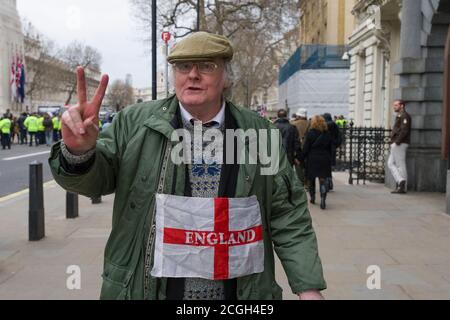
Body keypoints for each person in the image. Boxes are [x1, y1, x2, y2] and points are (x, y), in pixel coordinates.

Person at [49, 31, 326, 300]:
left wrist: (308, 287)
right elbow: (96, 181)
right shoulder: (133, 124)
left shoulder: (259, 133)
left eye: (206, 65)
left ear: (226, 76)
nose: (192, 74)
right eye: (182, 66)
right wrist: (78, 152)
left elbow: (288, 216)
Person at [301, 115, 332, 210]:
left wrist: (301, 157)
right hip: (324, 158)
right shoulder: (327, 133)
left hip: (313, 158)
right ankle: (323, 199)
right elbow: (331, 148)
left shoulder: (310, 133)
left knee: (311, 179)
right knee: (323, 180)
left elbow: (306, 148)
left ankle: (312, 197)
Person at [388, 100, 411, 194]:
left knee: (400, 165)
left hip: (400, 143)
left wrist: (397, 142)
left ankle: (402, 187)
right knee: (390, 163)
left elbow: (404, 130)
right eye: (394, 105)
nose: (394, 107)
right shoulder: (399, 115)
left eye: (396, 105)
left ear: (402, 106)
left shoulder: (405, 116)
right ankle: (400, 181)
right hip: (397, 143)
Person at [323, 113, 342, 191]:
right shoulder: (334, 125)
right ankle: (330, 182)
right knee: (329, 166)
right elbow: (339, 138)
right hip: (332, 148)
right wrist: (335, 145)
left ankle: (326, 183)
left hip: (324, 148)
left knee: (324, 167)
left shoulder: (324, 125)